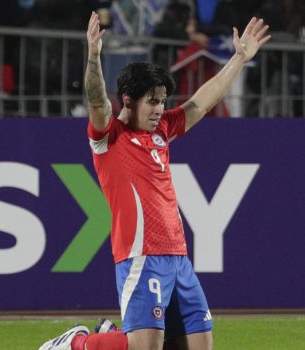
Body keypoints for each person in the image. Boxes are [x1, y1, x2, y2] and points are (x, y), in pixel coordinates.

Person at [38, 11, 270, 350]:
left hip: (178, 257)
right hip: (140, 256)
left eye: (163, 101)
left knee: (197, 347)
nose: (160, 109)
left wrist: (238, 58)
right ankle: (76, 342)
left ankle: (111, 332)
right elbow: (97, 99)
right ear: (128, 101)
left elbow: (201, 103)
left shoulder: (160, 130)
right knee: (145, 347)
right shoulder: (109, 137)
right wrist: (93, 57)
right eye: (153, 102)